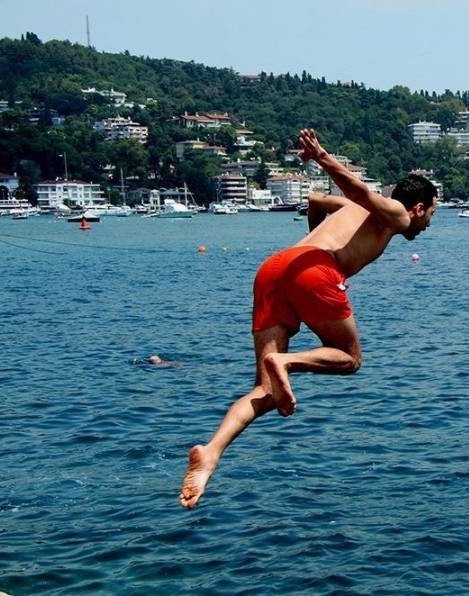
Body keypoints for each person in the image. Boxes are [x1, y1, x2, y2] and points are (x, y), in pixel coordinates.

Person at [179, 129, 438, 509]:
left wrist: (312, 242)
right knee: (349, 359)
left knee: (266, 390)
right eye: (432, 213)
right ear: (418, 207)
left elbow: (316, 200)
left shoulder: (357, 213)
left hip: (275, 266)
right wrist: (322, 158)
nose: (430, 223)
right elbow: (361, 191)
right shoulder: (396, 214)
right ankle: (284, 362)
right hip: (315, 270)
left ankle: (211, 453)